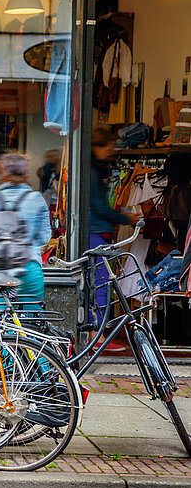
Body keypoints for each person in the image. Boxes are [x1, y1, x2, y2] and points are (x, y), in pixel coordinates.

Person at [89, 127, 139, 350]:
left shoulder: (91, 172)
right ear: (96, 148)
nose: (111, 152)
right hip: (95, 232)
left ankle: (95, 333)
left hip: (94, 231)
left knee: (96, 283)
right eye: (108, 148)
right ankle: (97, 336)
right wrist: (124, 218)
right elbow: (99, 208)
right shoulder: (92, 174)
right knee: (100, 283)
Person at [0, 153, 51, 302]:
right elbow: (44, 237)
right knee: (33, 320)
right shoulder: (36, 199)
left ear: (2, 173)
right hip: (27, 267)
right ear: (27, 173)